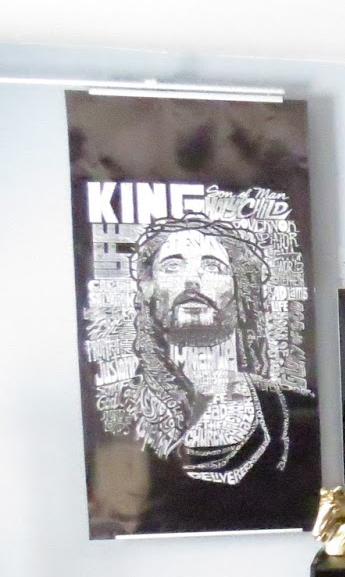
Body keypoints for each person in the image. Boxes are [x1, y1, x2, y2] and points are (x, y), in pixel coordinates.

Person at [94, 215, 318, 535]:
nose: (192, 281)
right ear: (148, 289)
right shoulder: (122, 412)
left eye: (212, 266)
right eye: (173, 266)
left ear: (241, 289)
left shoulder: (286, 407)